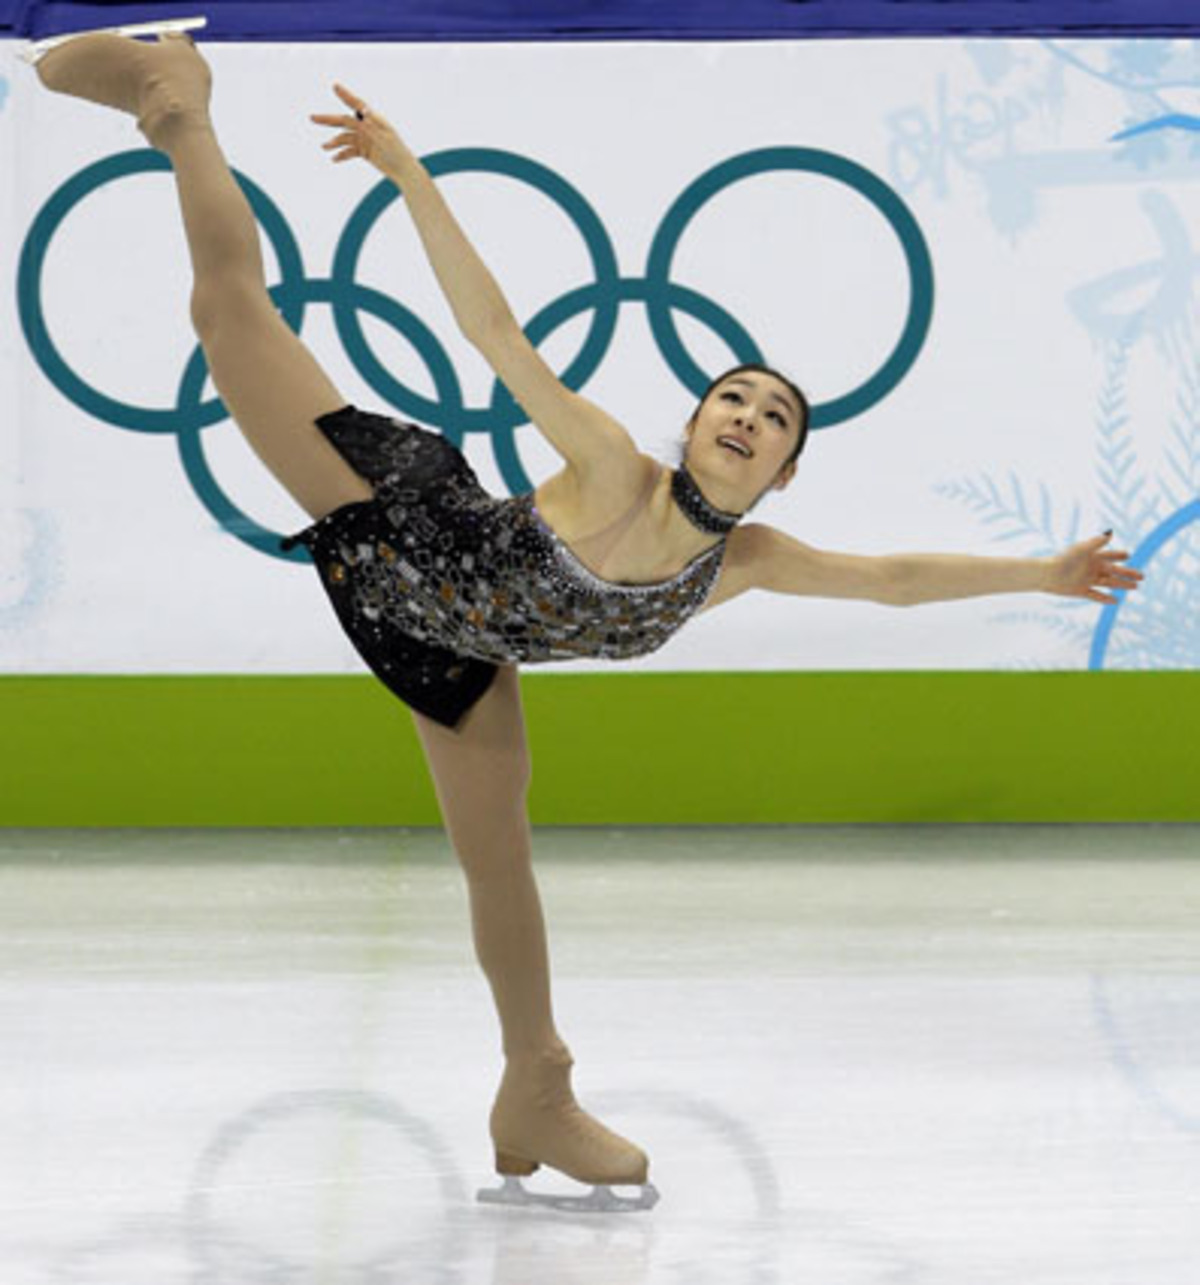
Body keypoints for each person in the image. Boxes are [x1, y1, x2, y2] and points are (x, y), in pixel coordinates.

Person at [31, 26, 1144, 1214]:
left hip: (452, 646)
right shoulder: (614, 464)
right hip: (393, 511)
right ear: (697, 418)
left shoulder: (742, 562)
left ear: (781, 472)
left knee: (497, 859)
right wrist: (411, 178)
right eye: (733, 396)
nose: (748, 415)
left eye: (773, 418)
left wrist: (1040, 572)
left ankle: (534, 1090)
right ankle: (176, 100)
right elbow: (497, 335)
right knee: (231, 316)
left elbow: (891, 578)